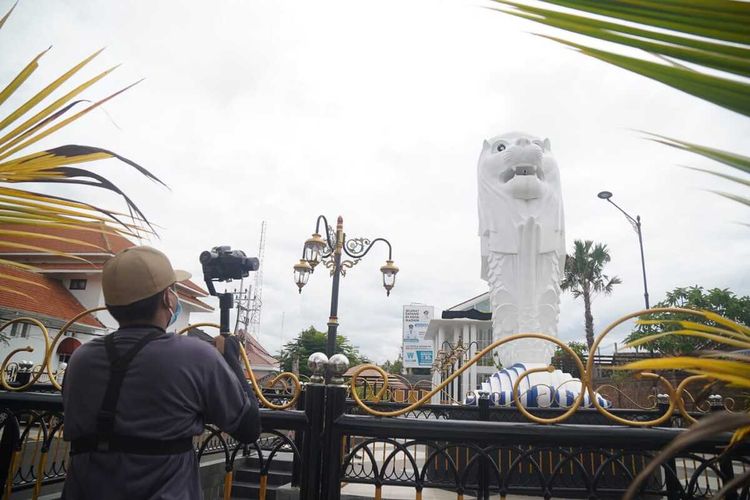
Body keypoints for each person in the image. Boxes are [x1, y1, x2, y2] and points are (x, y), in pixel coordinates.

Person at [62, 246, 260, 499]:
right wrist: (231, 360)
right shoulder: (195, 356)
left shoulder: (81, 358)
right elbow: (249, 428)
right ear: (168, 298)